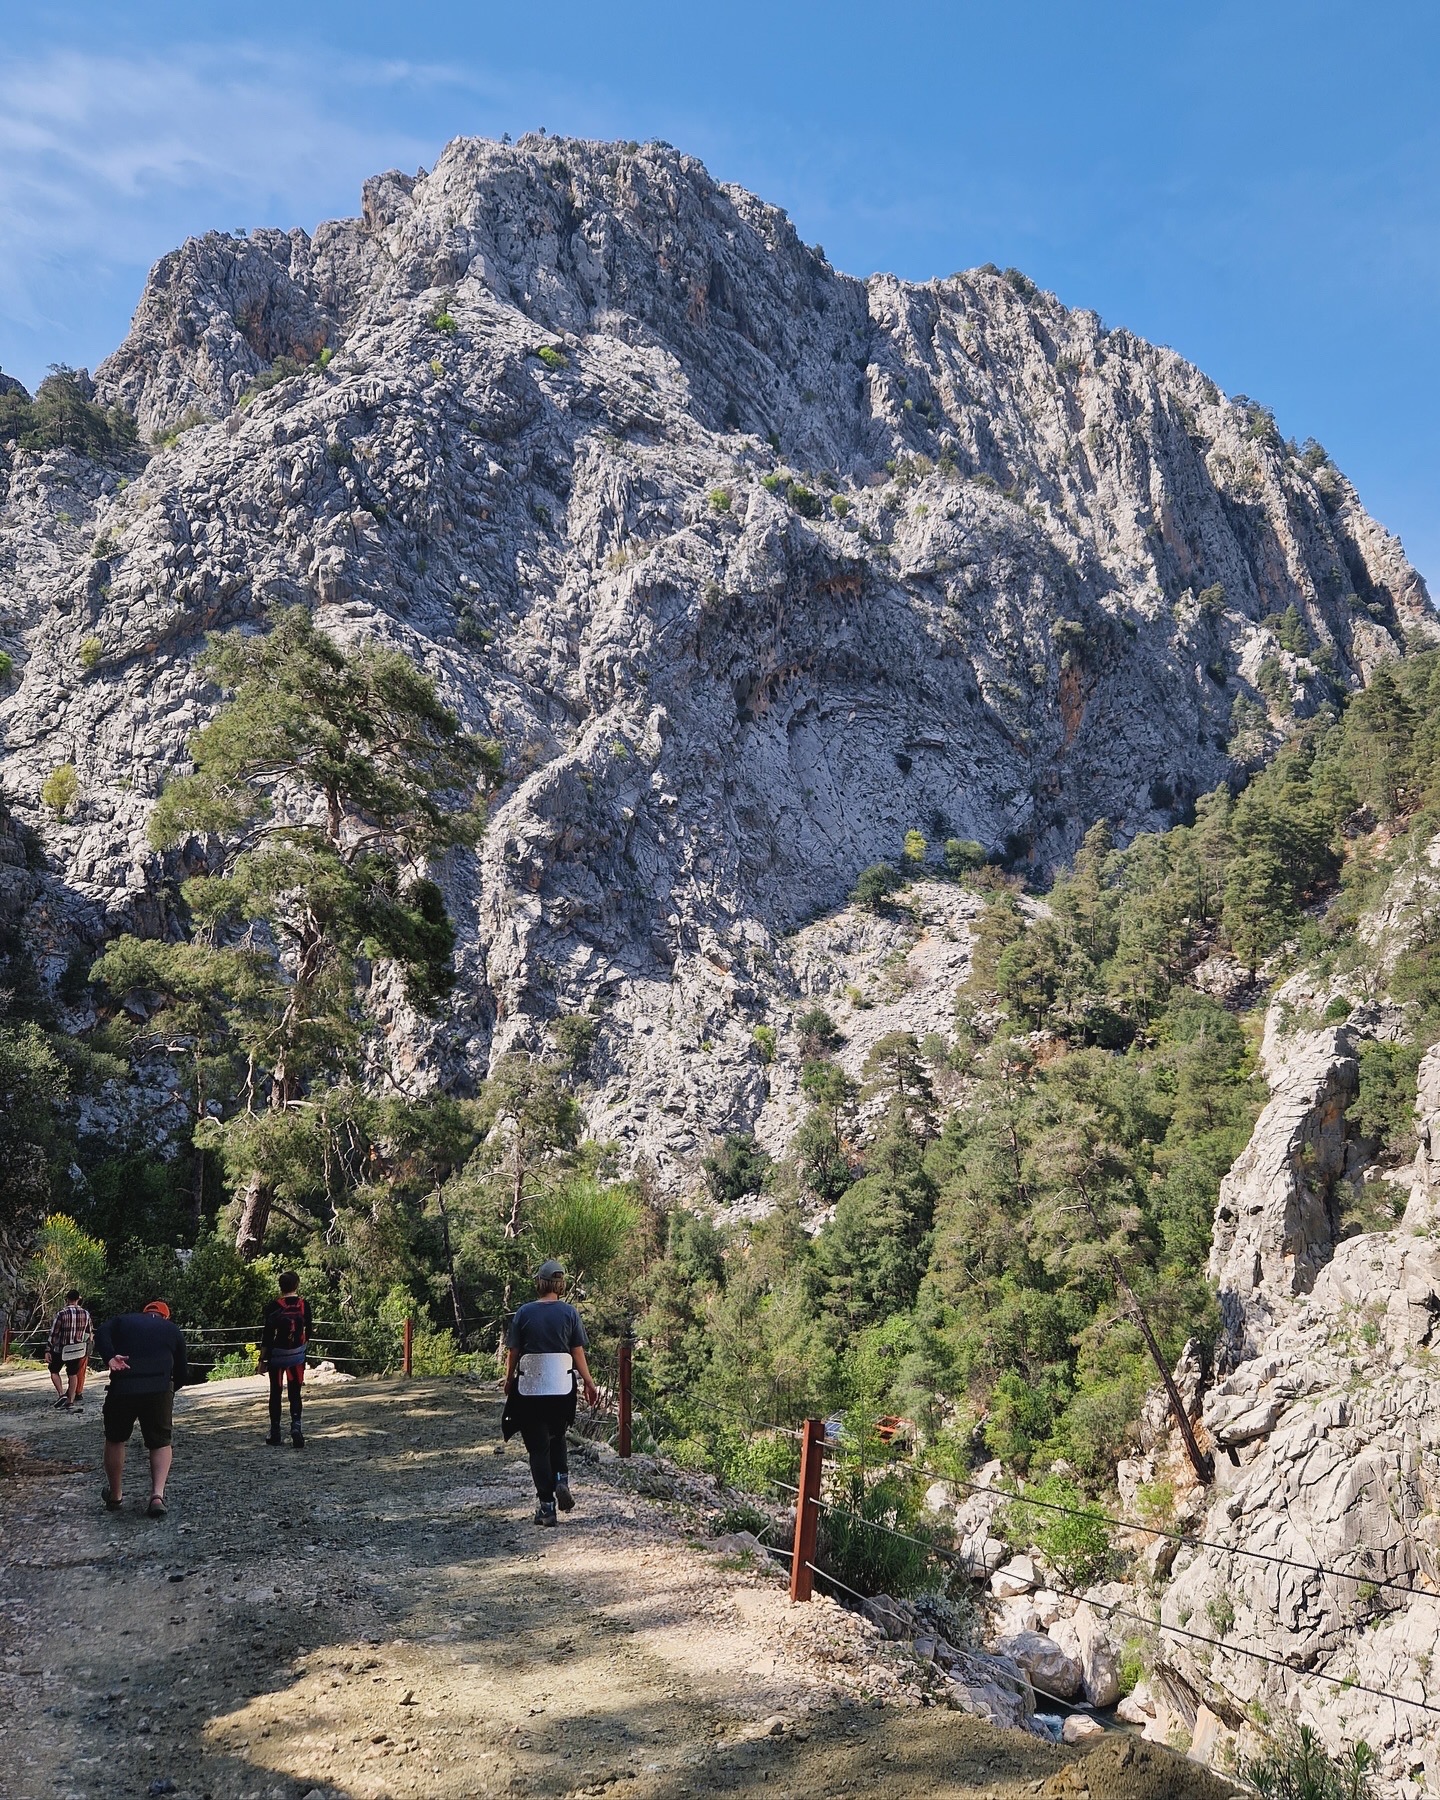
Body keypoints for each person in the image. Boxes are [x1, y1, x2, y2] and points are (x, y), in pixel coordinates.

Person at [504, 1258, 599, 1527]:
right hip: (562, 1390)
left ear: (540, 1283)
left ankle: (546, 1508)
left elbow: (513, 1352)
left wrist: (509, 1379)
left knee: (537, 1448)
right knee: (558, 1436)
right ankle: (562, 1480)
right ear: (560, 1285)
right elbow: (577, 1352)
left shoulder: (523, 1312)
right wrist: (590, 1384)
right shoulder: (570, 1313)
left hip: (530, 1389)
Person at [95, 1299, 188, 1518]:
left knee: (116, 1438)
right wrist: (170, 1388)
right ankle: (157, 1495)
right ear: (166, 1316)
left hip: (123, 1384)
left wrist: (109, 1357)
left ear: (144, 1312)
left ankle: (116, 1495)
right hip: (158, 1388)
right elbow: (183, 1371)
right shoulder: (172, 1329)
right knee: (160, 1442)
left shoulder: (122, 1320)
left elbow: (101, 1334)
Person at [259, 1270, 312, 1448]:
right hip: (297, 1356)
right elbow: (309, 1332)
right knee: (295, 1392)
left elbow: (267, 1336)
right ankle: (296, 1426)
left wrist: (262, 1360)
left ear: (280, 1287)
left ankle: (275, 1433)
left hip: (277, 1356)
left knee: (276, 1392)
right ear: (297, 1285)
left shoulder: (273, 1306)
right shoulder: (305, 1305)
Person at [47, 1290, 92, 1412]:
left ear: (67, 1299)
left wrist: (48, 1349)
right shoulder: (86, 1313)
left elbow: (54, 1333)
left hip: (62, 1349)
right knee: (73, 1374)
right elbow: (88, 1333)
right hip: (77, 1349)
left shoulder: (62, 1313)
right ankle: (70, 1401)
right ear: (79, 1298)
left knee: (54, 1370)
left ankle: (61, 1394)